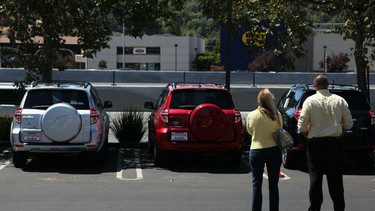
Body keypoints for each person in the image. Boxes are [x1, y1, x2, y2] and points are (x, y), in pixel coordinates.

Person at [297, 75, 353, 211]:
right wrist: (340, 132)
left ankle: (315, 208)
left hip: (315, 143)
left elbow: (301, 126)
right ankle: (339, 208)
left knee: (315, 179)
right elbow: (349, 124)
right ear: (327, 85)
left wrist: (307, 136)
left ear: (314, 85)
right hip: (334, 143)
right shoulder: (340, 100)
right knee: (336, 181)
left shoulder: (309, 101)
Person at [246, 88, 282, 211]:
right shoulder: (277, 115)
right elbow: (280, 129)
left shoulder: (252, 115)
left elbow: (250, 131)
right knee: (273, 185)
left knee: (256, 184)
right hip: (273, 150)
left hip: (256, 149)